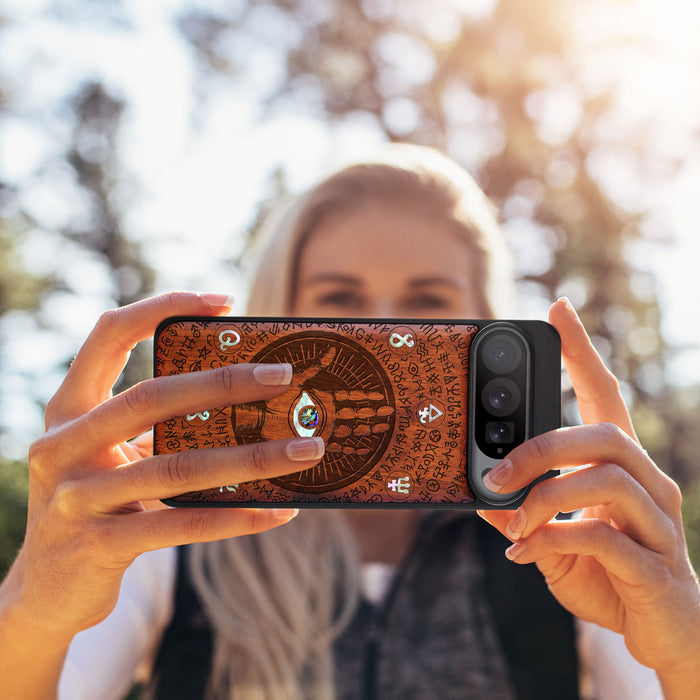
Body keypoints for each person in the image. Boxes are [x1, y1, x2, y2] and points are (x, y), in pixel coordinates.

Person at [0, 145, 698, 700]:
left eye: (427, 301)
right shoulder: (172, 535)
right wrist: (34, 607)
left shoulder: (566, 543)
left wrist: (685, 648)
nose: (386, 326)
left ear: (487, 325)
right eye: (340, 298)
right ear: (280, 314)